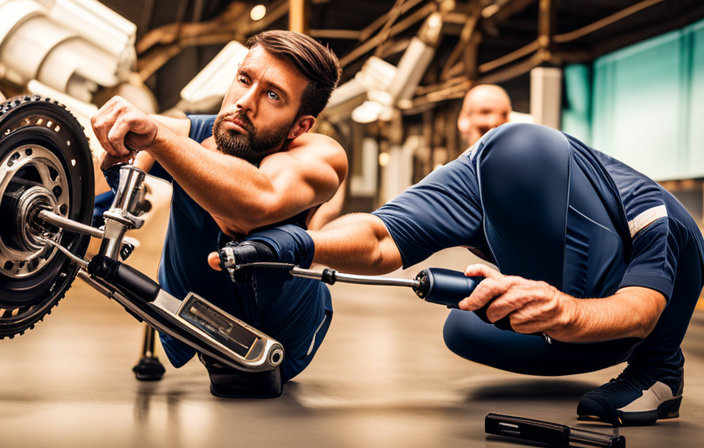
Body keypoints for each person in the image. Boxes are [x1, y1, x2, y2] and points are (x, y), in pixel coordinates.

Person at [218, 122, 704, 425]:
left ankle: (661, 370)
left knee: (521, 149)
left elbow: (641, 310)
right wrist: (303, 245)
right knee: (464, 327)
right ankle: (560, 321)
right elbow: (380, 237)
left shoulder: (644, 204)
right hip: (561, 299)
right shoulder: (470, 174)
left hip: (638, 315)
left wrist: (565, 309)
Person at [91, 30, 347, 397]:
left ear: (300, 125)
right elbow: (146, 131)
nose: (245, 102)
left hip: (279, 335)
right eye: (244, 79)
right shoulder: (206, 129)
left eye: (272, 95)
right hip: (184, 311)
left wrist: (159, 141)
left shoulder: (321, 155)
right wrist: (125, 177)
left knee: (211, 176)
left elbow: (252, 207)